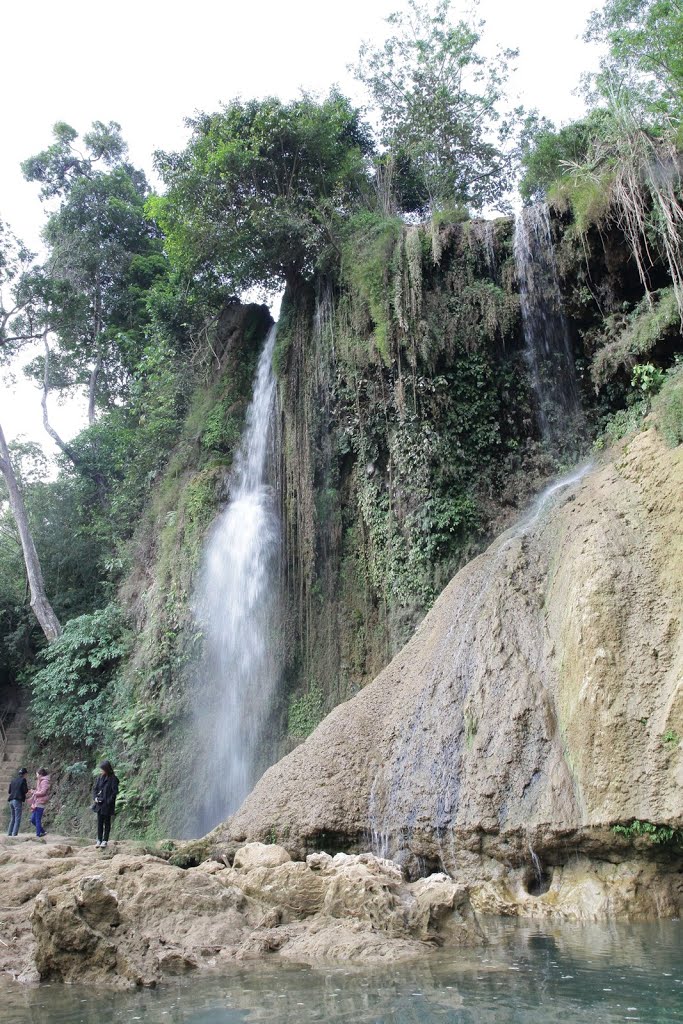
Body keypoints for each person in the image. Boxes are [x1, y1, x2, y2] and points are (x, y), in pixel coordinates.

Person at [93, 760, 119, 848]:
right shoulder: (100, 778)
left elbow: (115, 792)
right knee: (99, 823)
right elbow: (95, 789)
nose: (101, 771)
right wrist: (95, 798)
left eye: (102, 769)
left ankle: (105, 840)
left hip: (107, 805)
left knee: (107, 823)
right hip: (99, 804)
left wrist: (108, 801)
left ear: (106, 769)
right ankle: (99, 840)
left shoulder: (113, 779)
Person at [28, 768, 50, 838]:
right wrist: (34, 791)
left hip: (41, 802)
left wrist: (34, 792)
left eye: (37, 774)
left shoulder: (44, 781)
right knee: (32, 819)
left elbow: (43, 792)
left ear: (40, 774)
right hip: (36, 802)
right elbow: (39, 791)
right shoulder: (40, 781)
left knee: (37, 819)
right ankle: (43, 831)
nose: (36, 775)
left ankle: (38, 835)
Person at [7, 767, 28, 836]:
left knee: (12, 817)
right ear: (24, 774)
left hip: (11, 800)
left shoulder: (13, 780)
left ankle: (9, 833)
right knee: (17, 818)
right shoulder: (23, 780)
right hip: (17, 800)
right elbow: (25, 790)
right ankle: (14, 834)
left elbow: (9, 791)